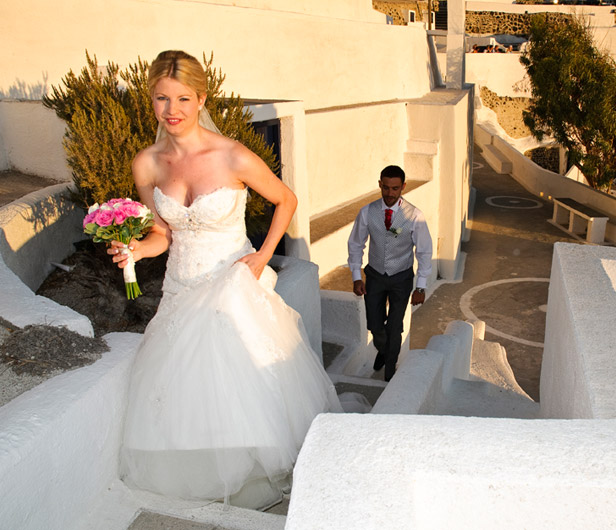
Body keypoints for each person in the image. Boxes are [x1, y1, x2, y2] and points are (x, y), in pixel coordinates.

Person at [109, 50, 341, 510]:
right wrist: (135, 250)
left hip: (233, 284)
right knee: (188, 392)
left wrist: (263, 256)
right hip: (180, 290)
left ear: (201, 99)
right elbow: (163, 232)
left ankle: (255, 478)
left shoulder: (231, 155)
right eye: (161, 98)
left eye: (182, 98)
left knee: (244, 389)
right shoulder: (147, 164)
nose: (171, 110)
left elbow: (286, 199)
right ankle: (205, 478)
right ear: (150, 100)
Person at [347, 165, 432, 381]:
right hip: (374, 275)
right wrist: (357, 277)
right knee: (375, 325)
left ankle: (390, 369)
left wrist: (420, 286)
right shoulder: (367, 212)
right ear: (380, 185)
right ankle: (383, 350)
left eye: (395, 188)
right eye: (385, 188)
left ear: (403, 187)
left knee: (395, 327)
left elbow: (424, 252)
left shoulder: (415, 216)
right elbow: (356, 244)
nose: (390, 193)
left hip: (401, 278)